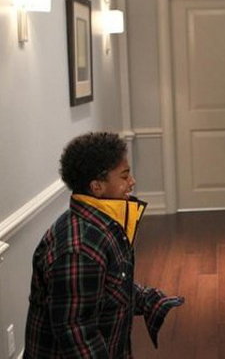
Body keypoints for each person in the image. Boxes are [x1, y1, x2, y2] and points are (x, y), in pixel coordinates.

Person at [25, 132, 184, 358]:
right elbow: (77, 333)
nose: (132, 182)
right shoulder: (79, 249)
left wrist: (148, 299)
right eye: (124, 176)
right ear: (97, 187)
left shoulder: (104, 225)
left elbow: (110, 285)